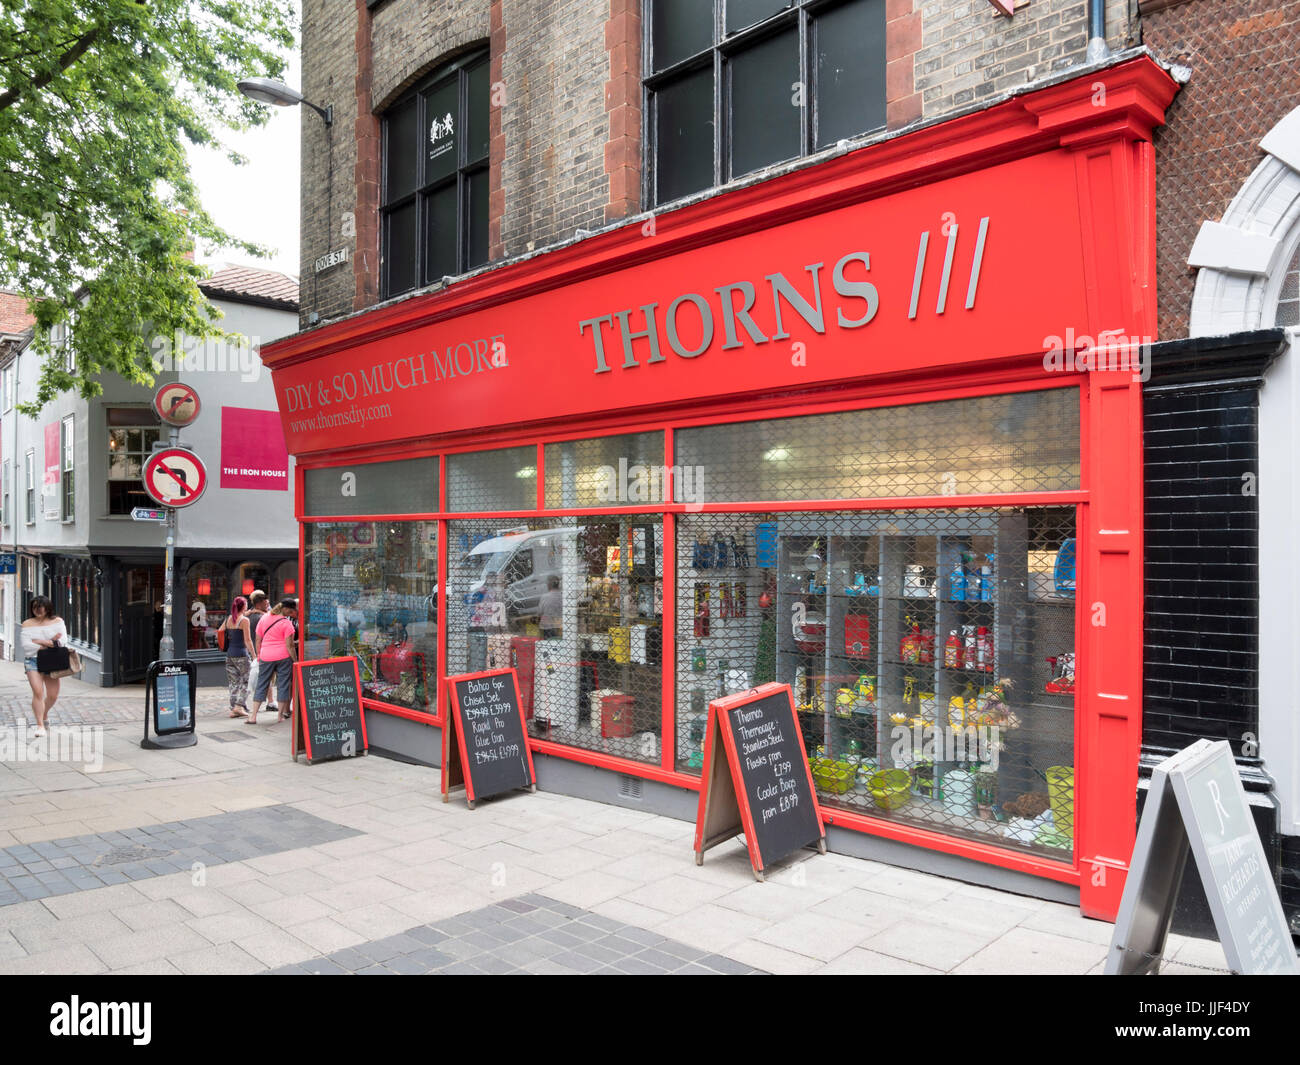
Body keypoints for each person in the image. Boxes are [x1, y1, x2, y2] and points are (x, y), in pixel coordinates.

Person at [21, 596, 68, 739]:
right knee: (38, 692)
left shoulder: (58, 621)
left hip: (53, 661)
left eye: (40, 606)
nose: (37, 610)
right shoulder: (27, 623)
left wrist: (40, 641)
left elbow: (62, 641)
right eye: (34, 607)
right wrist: (50, 641)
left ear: (47, 608)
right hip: (32, 661)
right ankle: (40, 725)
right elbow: (26, 646)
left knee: (53, 696)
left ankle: (44, 713)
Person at [246, 598, 298, 725]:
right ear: (285, 609)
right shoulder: (287, 623)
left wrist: (259, 655)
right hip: (283, 657)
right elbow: (290, 646)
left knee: (262, 684)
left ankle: (253, 716)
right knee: (283, 685)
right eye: (290, 611)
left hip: (266, 656)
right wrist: (295, 660)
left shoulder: (264, 618)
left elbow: (258, 639)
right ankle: (280, 716)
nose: (291, 614)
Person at [245, 590, 279, 717]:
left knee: (261, 677)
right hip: (263, 651)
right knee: (265, 678)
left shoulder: (250, 615)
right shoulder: (262, 618)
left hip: (255, 650)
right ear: (259, 603)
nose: (268, 604)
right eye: (265, 602)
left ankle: (269, 702)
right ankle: (267, 703)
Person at [218, 596, 253, 718]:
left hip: (229, 655)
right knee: (247, 681)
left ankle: (233, 708)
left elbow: (220, 630)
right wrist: (254, 656)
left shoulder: (229, 618)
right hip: (242, 655)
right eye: (246, 604)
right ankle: (239, 705)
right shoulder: (244, 621)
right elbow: (248, 640)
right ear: (243, 606)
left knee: (233, 683)